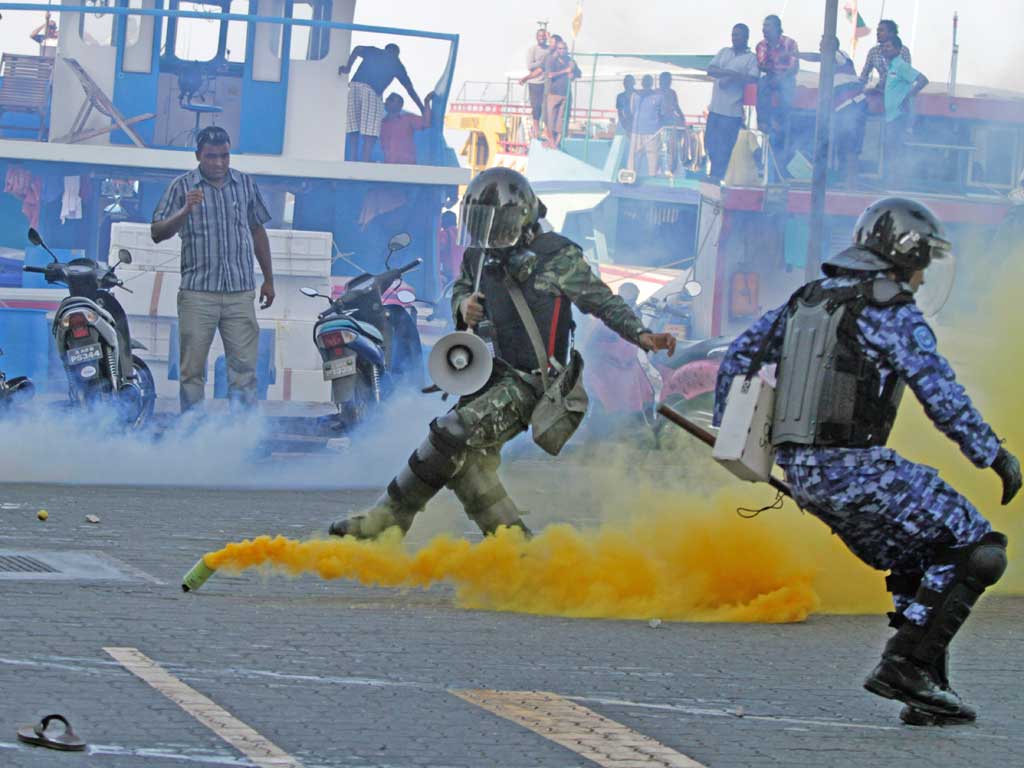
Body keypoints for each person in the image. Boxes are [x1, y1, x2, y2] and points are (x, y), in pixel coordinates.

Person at [712, 197, 1020, 726]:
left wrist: (737, 436)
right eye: (921, 263)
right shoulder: (888, 308)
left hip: (805, 474)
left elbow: (739, 359)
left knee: (923, 553)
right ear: (905, 255)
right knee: (977, 547)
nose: (922, 278)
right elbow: (939, 393)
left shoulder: (806, 299)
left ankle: (927, 690)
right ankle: (906, 665)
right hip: (853, 468)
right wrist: (993, 454)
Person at [328, 167, 677, 541]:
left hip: (536, 383)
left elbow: (603, 301)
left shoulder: (559, 257)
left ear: (520, 218)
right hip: (489, 376)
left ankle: (388, 521)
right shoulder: (478, 258)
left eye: (495, 226)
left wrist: (642, 334)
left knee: (451, 431)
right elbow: (460, 291)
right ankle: (516, 547)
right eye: (481, 225)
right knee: (464, 463)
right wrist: (465, 307)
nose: (488, 236)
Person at [151, 126, 274, 412]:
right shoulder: (182, 186)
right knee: (192, 371)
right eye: (211, 157)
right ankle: (193, 434)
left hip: (239, 292)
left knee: (244, 370)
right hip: (198, 294)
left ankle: (239, 434)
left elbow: (258, 231)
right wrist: (184, 212)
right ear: (198, 156)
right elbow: (157, 232)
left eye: (224, 156)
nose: (218, 163)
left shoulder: (245, 184)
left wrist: (269, 280)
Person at [339, 44, 424, 162]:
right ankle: (365, 162)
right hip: (371, 90)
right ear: (397, 54)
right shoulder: (396, 64)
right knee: (370, 133)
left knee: (354, 128)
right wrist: (422, 108)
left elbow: (357, 49)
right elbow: (409, 89)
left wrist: (348, 68)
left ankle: (352, 160)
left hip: (353, 87)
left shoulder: (374, 51)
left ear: (386, 49)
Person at [706, 23, 760, 180]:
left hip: (731, 113)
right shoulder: (724, 52)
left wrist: (732, 77)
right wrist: (728, 73)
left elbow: (752, 78)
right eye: (733, 34)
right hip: (715, 110)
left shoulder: (751, 58)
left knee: (726, 149)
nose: (734, 38)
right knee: (710, 144)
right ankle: (714, 177)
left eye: (738, 35)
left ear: (746, 37)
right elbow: (711, 70)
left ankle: (720, 179)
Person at [881, 36, 927, 182]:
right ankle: (893, 182)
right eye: (884, 47)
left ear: (897, 49)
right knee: (891, 150)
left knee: (896, 150)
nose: (885, 49)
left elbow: (923, 80)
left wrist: (908, 97)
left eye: (889, 47)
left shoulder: (901, 65)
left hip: (899, 116)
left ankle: (897, 184)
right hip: (891, 117)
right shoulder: (891, 67)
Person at [755, 15, 799, 163]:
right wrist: (774, 74)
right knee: (761, 84)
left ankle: (782, 121)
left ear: (777, 28)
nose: (764, 29)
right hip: (770, 75)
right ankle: (763, 122)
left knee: (786, 88)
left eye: (767, 26)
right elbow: (761, 64)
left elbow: (794, 67)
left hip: (786, 76)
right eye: (763, 26)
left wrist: (780, 77)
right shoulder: (761, 45)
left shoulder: (790, 43)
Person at [379, 91, 433, 165]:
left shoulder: (408, 119)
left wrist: (427, 102)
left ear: (400, 105)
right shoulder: (380, 124)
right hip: (389, 167)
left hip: (408, 167)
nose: (387, 102)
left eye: (391, 100)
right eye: (387, 99)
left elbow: (426, 123)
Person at [542, 36, 578, 147]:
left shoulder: (571, 61)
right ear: (557, 50)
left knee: (561, 120)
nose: (562, 51)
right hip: (553, 93)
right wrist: (565, 71)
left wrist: (573, 74)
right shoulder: (551, 60)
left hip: (565, 93)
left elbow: (577, 73)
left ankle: (556, 142)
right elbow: (550, 75)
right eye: (560, 49)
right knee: (550, 119)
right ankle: (551, 141)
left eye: (564, 49)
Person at [860, 19, 912, 89]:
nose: (877, 33)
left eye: (881, 30)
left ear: (891, 33)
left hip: (899, 91)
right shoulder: (873, 51)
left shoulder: (903, 50)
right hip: (880, 91)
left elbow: (907, 74)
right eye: (877, 30)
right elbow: (864, 75)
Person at [519, 27, 551, 140]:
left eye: (544, 36)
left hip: (545, 82)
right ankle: (537, 130)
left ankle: (546, 131)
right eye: (540, 36)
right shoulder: (533, 49)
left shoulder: (549, 49)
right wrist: (541, 62)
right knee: (536, 107)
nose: (542, 38)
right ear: (537, 38)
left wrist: (550, 37)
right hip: (534, 83)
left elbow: (555, 49)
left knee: (546, 107)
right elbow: (529, 66)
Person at [630, 75, 663, 175]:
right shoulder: (636, 96)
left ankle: (632, 177)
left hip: (646, 131)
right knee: (650, 157)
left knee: (637, 157)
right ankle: (635, 176)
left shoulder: (635, 95)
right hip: (643, 131)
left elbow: (632, 111)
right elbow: (662, 114)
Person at [657, 72, 686, 175]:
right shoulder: (656, 92)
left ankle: (674, 168)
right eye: (667, 80)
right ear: (661, 80)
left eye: (670, 80)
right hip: (660, 124)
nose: (669, 82)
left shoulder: (672, 92)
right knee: (662, 147)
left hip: (672, 122)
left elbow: (676, 106)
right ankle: (662, 169)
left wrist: (682, 117)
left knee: (674, 146)